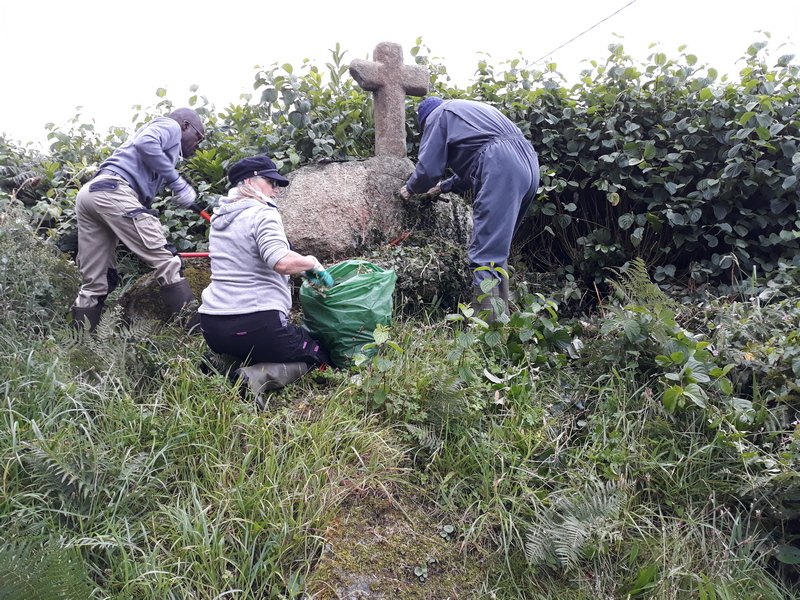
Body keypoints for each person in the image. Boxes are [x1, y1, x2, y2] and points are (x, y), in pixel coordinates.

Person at [198, 155, 334, 400]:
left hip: (212, 327)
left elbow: (255, 254)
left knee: (253, 348)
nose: (276, 189)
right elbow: (280, 261)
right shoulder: (263, 212)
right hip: (256, 323)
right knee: (317, 355)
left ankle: (222, 363)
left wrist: (300, 266)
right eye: (271, 181)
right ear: (249, 181)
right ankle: (255, 377)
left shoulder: (220, 218)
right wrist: (312, 263)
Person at [399, 97, 540, 321]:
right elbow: (477, 161)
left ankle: (484, 328)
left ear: (424, 123)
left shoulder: (437, 116)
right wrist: (443, 187)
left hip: (501, 165)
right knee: (496, 250)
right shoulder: (468, 110)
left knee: (485, 252)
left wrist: (411, 188)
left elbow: (428, 169)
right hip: (529, 164)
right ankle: (499, 321)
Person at [70, 107, 206, 331]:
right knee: (168, 261)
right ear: (185, 126)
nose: (197, 145)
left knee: (97, 281)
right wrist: (177, 181)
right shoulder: (170, 126)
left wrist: (172, 190)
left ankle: (81, 350)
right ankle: (195, 336)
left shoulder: (164, 149)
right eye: (199, 137)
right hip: (113, 191)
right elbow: (145, 143)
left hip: (91, 194)